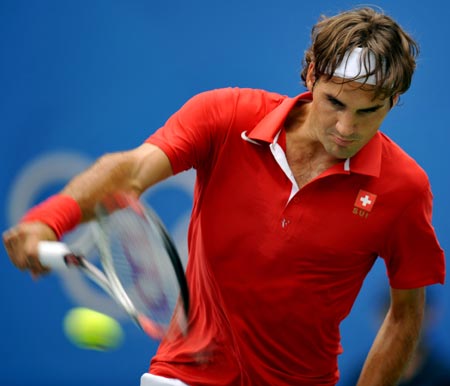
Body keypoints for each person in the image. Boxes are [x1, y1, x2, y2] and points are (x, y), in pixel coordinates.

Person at [2, 6, 446, 386]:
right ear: (312, 75)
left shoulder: (403, 188)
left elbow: (406, 316)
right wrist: (50, 218)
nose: (347, 128)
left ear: (394, 101)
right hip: (182, 375)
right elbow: (131, 171)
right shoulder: (225, 115)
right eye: (335, 102)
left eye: (369, 111)